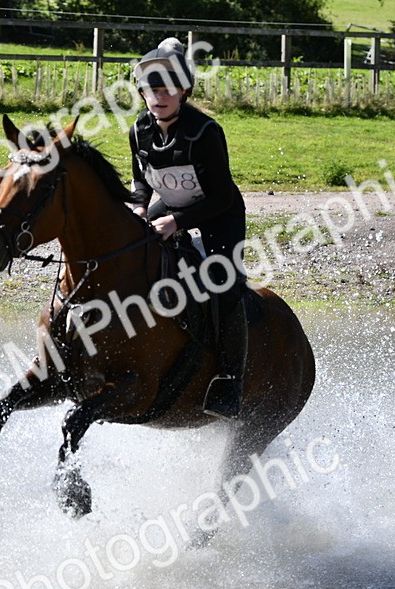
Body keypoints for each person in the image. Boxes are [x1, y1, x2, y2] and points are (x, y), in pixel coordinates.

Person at [129, 37, 248, 420]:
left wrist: (177, 222)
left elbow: (221, 196)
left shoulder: (204, 132)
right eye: (151, 88)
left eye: (168, 89)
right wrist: (140, 208)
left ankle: (229, 380)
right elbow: (142, 183)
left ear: (183, 91)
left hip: (218, 212)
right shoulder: (139, 130)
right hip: (170, 206)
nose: (159, 96)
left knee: (224, 282)